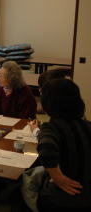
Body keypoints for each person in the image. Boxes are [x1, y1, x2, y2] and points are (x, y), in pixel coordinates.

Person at [37, 79, 91, 211]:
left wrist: (57, 177)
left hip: (62, 200)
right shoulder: (88, 126)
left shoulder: (51, 128)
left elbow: (46, 150)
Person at [28, 67, 72, 135]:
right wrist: (43, 125)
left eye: (41, 89)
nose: (39, 91)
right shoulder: (68, 104)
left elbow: (49, 139)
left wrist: (35, 130)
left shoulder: (60, 117)